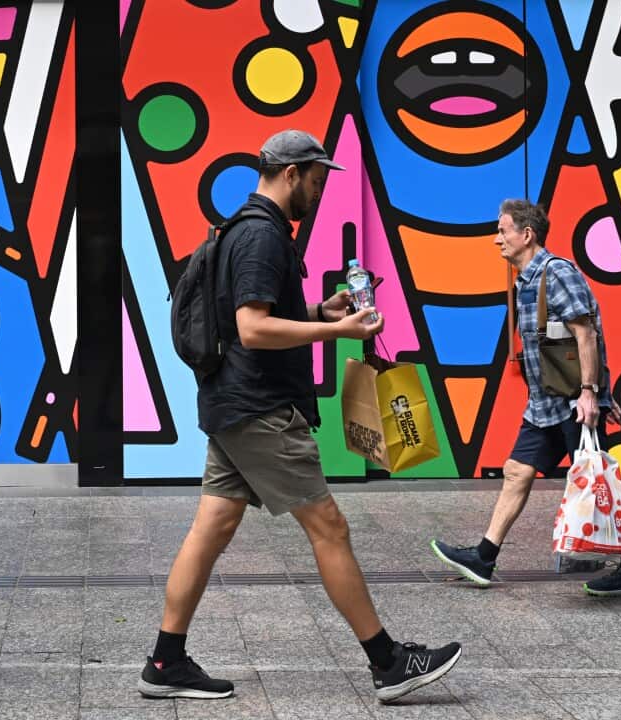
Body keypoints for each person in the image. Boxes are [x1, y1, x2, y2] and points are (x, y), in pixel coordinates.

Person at [139, 130, 461, 704]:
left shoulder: (239, 226)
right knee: (329, 527)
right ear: (290, 173)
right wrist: (337, 330)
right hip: (259, 408)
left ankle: (165, 660)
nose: (317, 190)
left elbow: (256, 314)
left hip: (230, 403)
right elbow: (252, 328)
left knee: (210, 528)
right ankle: (389, 663)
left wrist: (318, 308)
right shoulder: (263, 236)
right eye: (315, 180)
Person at [430, 199, 621, 596]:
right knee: (517, 470)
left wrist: (592, 392)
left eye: (503, 230)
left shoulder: (557, 273)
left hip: (571, 402)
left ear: (526, 234)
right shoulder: (525, 281)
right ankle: (484, 556)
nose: (496, 239)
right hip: (544, 404)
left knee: (596, 480)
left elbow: (585, 333)